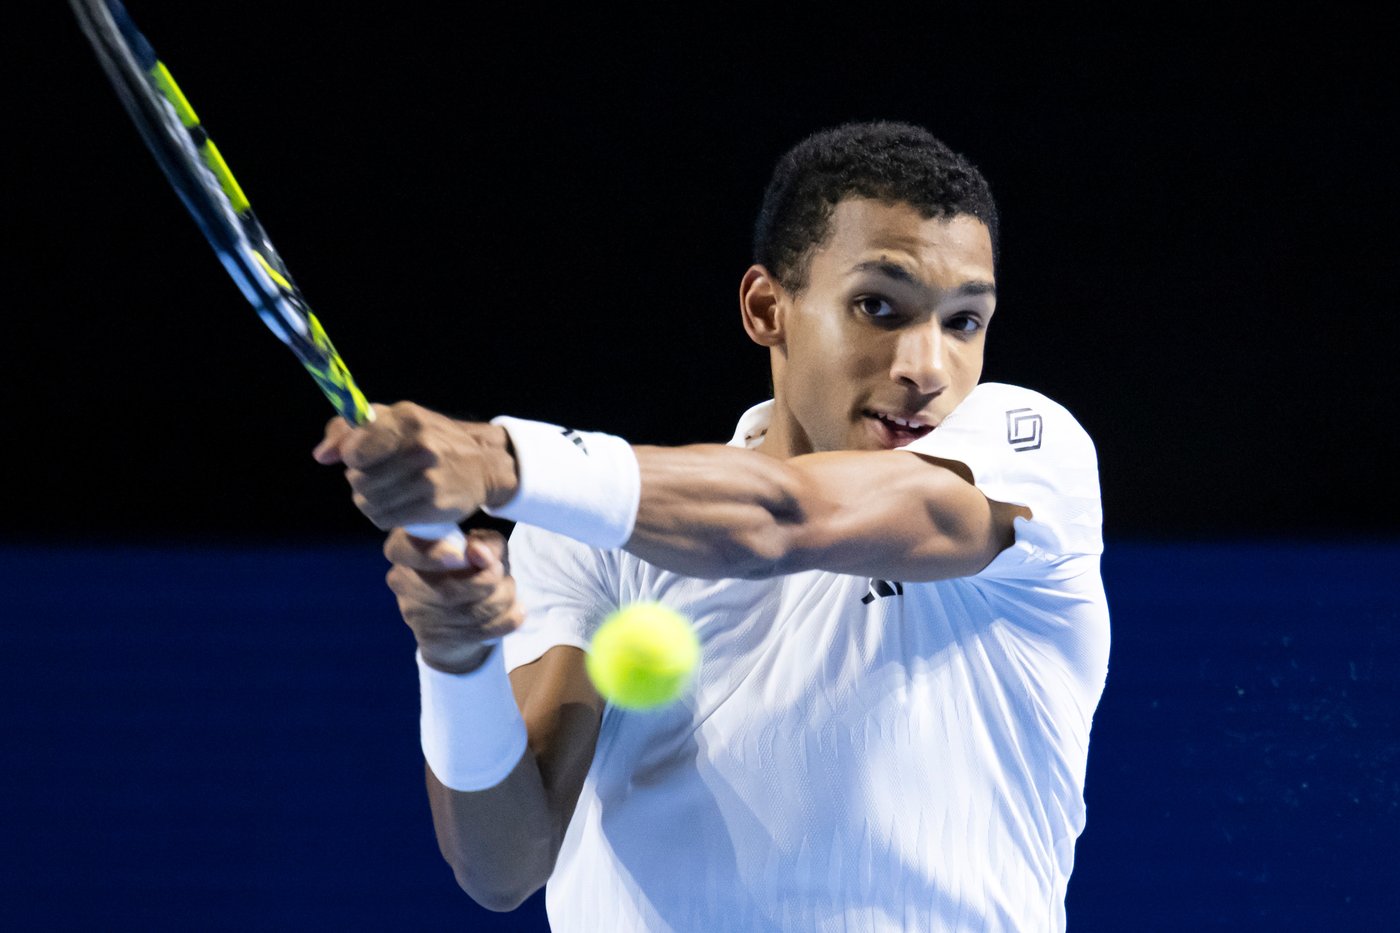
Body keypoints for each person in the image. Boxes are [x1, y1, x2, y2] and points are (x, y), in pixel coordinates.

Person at [314, 121, 1110, 932]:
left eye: (964, 322)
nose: (927, 366)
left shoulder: (1028, 459)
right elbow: (502, 866)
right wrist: (456, 662)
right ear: (769, 308)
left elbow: (780, 515)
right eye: (878, 306)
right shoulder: (594, 538)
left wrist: (497, 457)